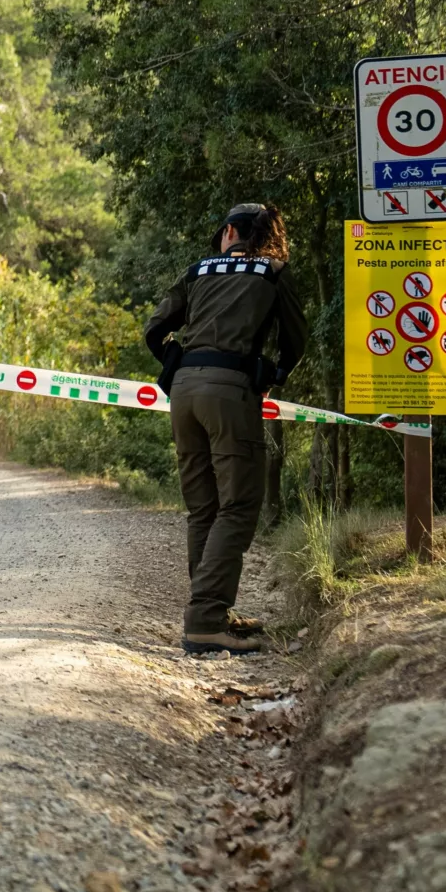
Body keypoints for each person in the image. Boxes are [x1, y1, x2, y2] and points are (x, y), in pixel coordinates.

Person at [143, 203, 308, 655]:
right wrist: (273, 373)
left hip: (183, 392)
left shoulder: (198, 270)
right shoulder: (273, 272)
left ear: (231, 232)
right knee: (237, 507)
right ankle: (205, 620)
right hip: (230, 392)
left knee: (203, 509)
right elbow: (295, 340)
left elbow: (155, 329)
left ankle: (213, 613)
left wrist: (173, 359)